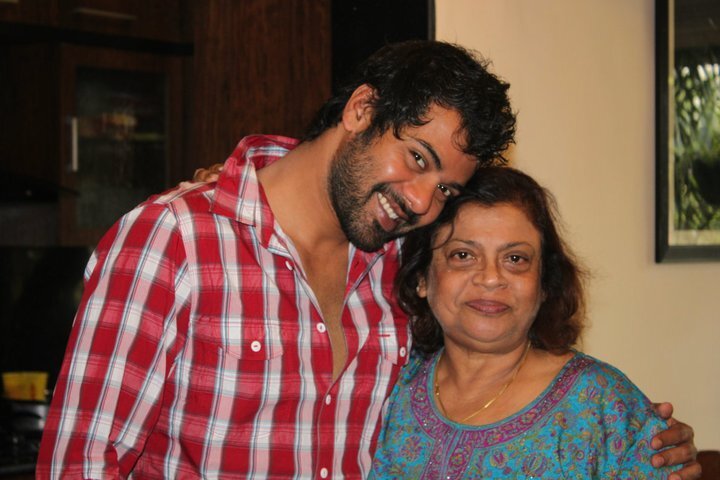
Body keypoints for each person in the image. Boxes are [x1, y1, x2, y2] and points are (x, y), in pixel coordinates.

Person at [36, 41, 697, 479]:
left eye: (444, 189)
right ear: (361, 109)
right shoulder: (173, 241)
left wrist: (645, 445)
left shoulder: (398, 268)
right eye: (416, 158)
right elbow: (80, 464)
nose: (418, 200)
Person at [369, 166, 689, 479]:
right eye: (463, 255)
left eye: (515, 259)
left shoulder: (601, 405)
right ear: (422, 278)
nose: (491, 278)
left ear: (544, 284)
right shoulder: (392, 388)